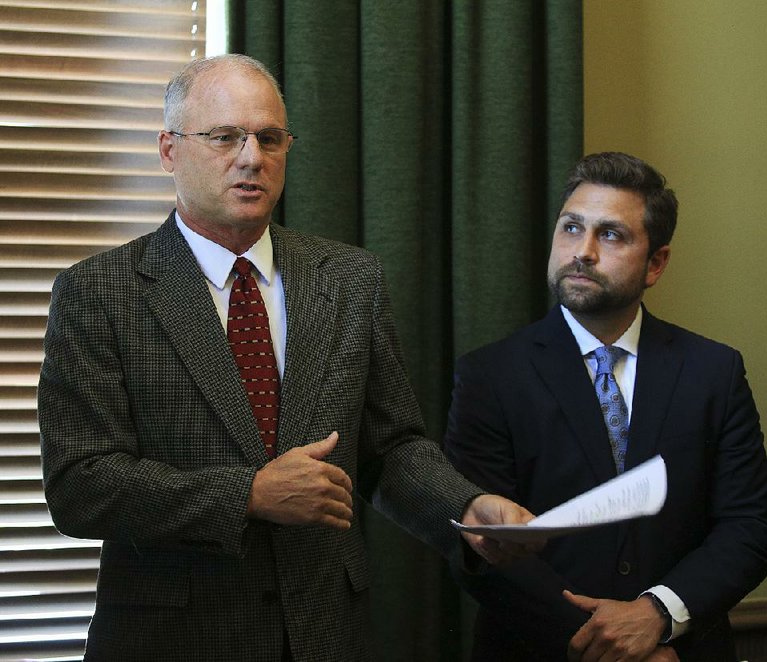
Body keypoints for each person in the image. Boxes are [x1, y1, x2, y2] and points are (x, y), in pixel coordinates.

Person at [37, 54, 536, 662]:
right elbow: (79, 485)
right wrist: (248, 493)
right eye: (225, 137)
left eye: (269, 138)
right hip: (173, 638)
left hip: (325, 633)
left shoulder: (351, 279)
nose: (251, 158)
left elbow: (390, 449)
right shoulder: (99, 292)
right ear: (169, 150)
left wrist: (465, 507)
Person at [444, 152, 767, 662]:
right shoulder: (489, 376)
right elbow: (483, 549)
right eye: (571, 228)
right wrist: (609, 646)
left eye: (611, 235)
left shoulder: (714, 371)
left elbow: (750, 528)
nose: (582, 251)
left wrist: (657, 617)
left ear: (657, 263)